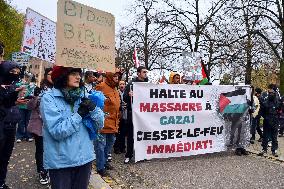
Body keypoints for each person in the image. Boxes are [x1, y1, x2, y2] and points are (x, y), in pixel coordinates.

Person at [40, 66, 104, 189]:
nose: (79, 77)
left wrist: (94, 108)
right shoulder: (49, 98)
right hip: (61, 162)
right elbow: (57, 131)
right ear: (63, 76)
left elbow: (100, 125)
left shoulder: (83, 95)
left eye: (79, 74)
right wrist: (79, 114)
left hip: (85, 159)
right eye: (74, 73)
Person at [0, 61, 24, 189]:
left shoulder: (14, 85)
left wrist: (14, 96)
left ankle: (1, 182)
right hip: (2, 124)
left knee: (5, 157)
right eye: (12, 72)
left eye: (17, 73)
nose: (14, 75)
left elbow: (9, 103)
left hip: (11, 124)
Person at [26, 68, 53, 185]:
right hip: (39, 125)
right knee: (40, 149)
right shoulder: (39, 89)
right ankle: (42, 171)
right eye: (50, 74)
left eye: (54, 74)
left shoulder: (59, 89)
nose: (52, 76)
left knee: (51, 149)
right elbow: (29, 106)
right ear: (45, 75)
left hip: (53, 125)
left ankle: (50, 170)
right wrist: (36, 97)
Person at [95, 72, 121, 176]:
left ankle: (105, 162)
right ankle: (100, 167)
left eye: (117, 76)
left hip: (113, 123)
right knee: (100, 146)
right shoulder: (101, 86)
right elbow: (94, 103)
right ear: (109, 77)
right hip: (103, 123)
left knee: (109, 144)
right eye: (114, 76)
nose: (117, 78)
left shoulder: (115, 88)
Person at [123, 66, 148, 164]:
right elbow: (124, 98)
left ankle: (141, 155)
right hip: (132, 114)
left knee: (142, 135)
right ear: (138, 73)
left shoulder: (148, 84)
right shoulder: (131, 84)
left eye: (146, 72)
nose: (145, 74)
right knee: (131, 135)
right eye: (144, 72)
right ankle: (128, 155)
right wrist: (128, 95)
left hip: (144, 115)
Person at [258, 84, 281, 157]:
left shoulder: (277, 101)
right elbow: (262, 110)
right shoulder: (265, 101)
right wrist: (265, 117)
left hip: (275, 120)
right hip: (267, 120)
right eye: (270, 93)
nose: (271, 94)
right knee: (265, 136)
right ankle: (264, 149)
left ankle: (274, 150)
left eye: (272, 93)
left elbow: (279, 110)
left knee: (274, 137)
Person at [16, 72, 36, 142]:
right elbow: (16, 86)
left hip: (29, 105)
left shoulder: (33, 85)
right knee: (21, 121)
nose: (27, 78)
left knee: (28, 121)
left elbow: (33, 93)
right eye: (26, 77)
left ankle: (28, 135)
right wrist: (22, 83)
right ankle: (19, 136)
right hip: (21, 105)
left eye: (29, 77)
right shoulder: (20, 83)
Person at [114, 80, 127, 154]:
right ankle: (117, 147)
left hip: (125, 115)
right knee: (117, 132)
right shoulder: (116, 93)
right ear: (118, 85)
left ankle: (123, 147)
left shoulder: (127, 93)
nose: (122, 85)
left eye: (123, 84)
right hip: (118, 115)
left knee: (123, 132)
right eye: (120, 84)